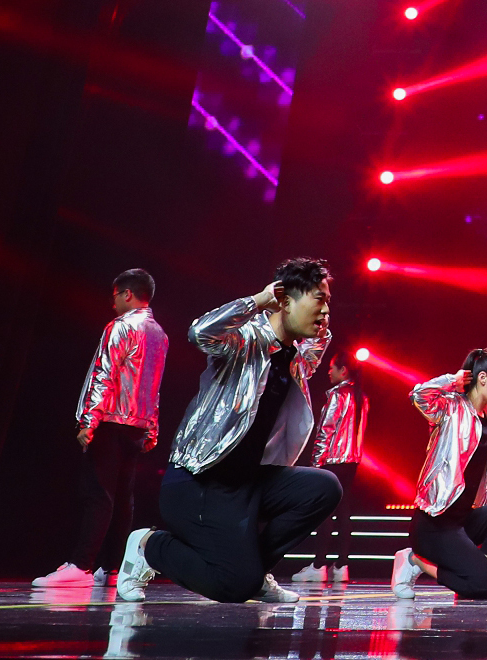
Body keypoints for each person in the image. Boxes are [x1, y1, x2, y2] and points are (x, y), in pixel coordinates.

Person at [114, 258, 339, 606]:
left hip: (246, 484)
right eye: (319, 299)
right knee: (234, 586)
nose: (326, 310)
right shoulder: (244, 339)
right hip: (200, 482)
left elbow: (318, 340)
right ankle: (149, 546)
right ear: (283, 299)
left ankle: (257, 571)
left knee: (323, 487)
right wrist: (258, 301)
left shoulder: (294, 357)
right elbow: (199, 332)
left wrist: (318, 320)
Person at [38, 268, 169, 589]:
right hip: (136, 427)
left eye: (115, 296)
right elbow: (154, 386)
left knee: (98, 494)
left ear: (127, 294)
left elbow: (103, 373)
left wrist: (89, 419)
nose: (113, 304)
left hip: (110, 421)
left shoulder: (121, 327)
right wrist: (152, 428)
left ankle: (81, 565)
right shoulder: (160, 335)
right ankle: (112, 568)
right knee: (122, 498)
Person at [393, 347, 487, 602]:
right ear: (483, 378)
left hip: (463, 521)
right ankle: (415, 560)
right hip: (434, 526)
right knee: (486, 585)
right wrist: (452, 380)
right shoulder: (449, 408)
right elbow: (418, 395)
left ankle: (477, 573)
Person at [306, 362, 369, 586]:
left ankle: (318, 566)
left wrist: (315, 463)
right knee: (343, 511)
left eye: (333, 367)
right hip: (352, 461)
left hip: (332, 460)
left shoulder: (338, 395)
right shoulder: (361, 397)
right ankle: (342, 565)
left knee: (325, 511)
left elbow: (326, 429)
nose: (328, 371)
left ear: (344, 370)